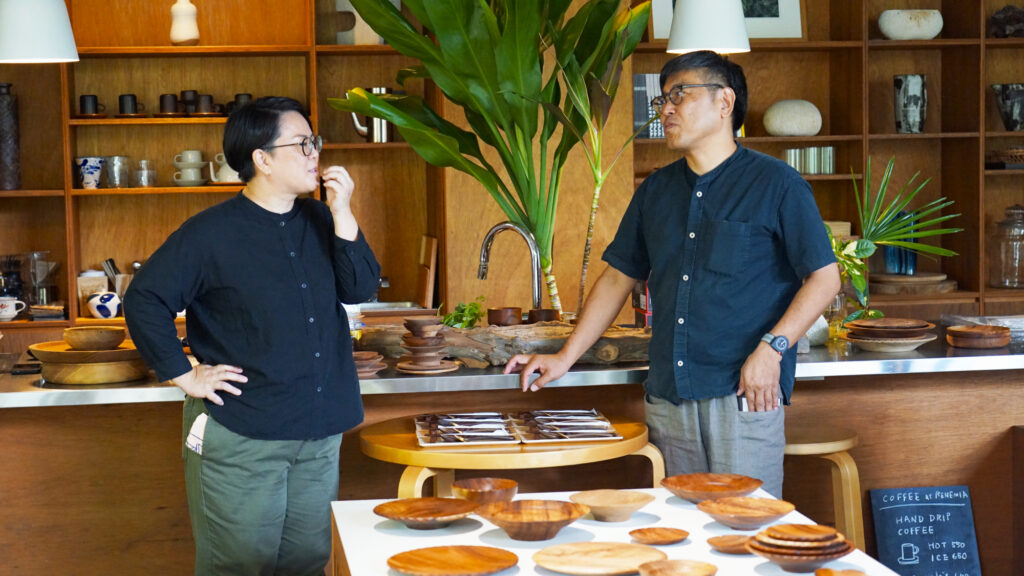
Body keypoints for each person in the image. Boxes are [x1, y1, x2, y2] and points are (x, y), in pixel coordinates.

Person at [504, 51, 840, 497]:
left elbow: (824, 278)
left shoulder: (777, 184)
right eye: (662, 100)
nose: (666, 109)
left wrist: (772, 349)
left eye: (679, 95)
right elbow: (617, 279)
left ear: (724, 102)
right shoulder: (656, 191)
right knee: (680, 538)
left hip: (742, 392)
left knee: (743, 533)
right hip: (669, 395)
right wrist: (564, 357)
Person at [124, 96, 380, 575]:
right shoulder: (208, 233)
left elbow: (360, 288)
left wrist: (344, 212)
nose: (314, 154)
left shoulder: (322, 219)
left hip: (318, 432)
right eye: (302, 144)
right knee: (239, 567)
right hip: (243, 434)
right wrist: (186, 375)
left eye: (314, 142)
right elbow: (143, 300)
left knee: (307, 564)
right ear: (262, 160)